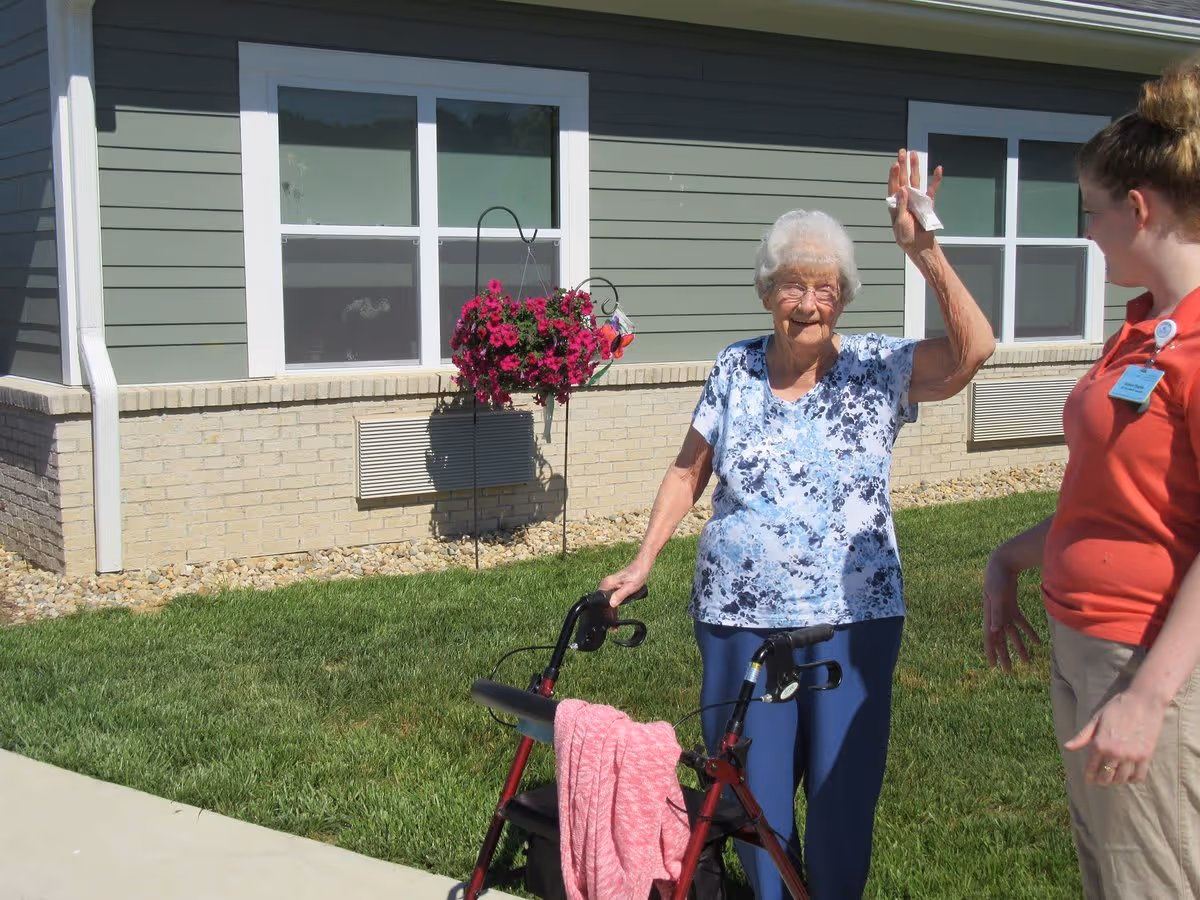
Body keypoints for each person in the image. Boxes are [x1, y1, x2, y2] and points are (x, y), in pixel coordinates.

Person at [599, 149, 995, 900]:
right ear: (766, 291)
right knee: (751, 799)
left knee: (843, 803)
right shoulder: (734, 367)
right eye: (792, 284)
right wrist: (644, 558)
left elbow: (976, 351)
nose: (808, 302)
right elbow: (689, 471)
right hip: (737, 620)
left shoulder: (880, 366)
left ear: (843, 297)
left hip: (854, 619)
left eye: (825, 287)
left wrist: (924, 250)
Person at [984, 57, 1200, 899]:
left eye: (1094, 214)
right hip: (1084, 644)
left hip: (1145, 654)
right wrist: (1010, 555)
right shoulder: (1141, 330)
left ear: (1140, 209)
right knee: (1107, 873)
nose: (1088, 233)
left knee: (1154, 879)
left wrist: (1149, 695)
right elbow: (1115, 503)